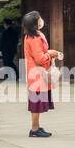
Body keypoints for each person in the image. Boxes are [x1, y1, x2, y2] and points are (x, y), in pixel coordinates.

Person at [22, 10, 59, 138]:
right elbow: (39, 59)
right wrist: (50, 53)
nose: (41, 20)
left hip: (35, 73)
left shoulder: (32, 36)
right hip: (37, 74)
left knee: (36, 101)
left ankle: (36, 127)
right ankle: (34, 129)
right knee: (36, 102)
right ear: (35, 24)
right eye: (39, 19)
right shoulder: (35, 38)